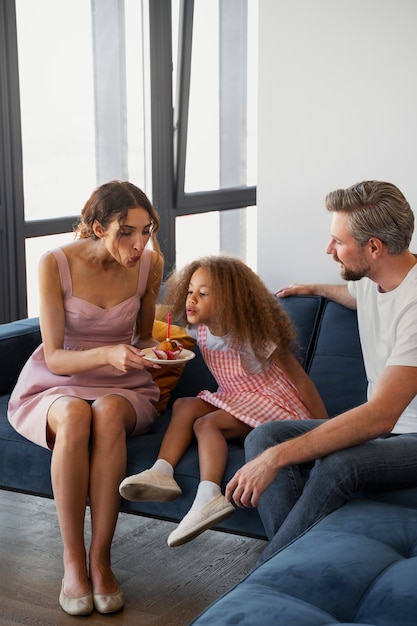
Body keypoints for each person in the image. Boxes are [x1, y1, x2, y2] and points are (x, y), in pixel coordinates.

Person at [226, 179, 417, 564]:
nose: (328, 249)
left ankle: (270, 571)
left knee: (339, 464)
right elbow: (355, 295)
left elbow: (381, 416)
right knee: (264, 437)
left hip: (409, 434)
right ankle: (295, 563)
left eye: (338, 242)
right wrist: (314, 287)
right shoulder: (374, 280)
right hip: (391, 432)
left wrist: (277, 460)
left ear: (374, 248)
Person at [8, 181, 164, 616]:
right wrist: (106, 354)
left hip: (123, 385)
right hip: (58, 380)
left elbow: (145, 337)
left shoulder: (150, 264)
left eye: (146, 231)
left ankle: (102, 559)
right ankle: (73, 562)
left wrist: (157, 354)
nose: (139, 244)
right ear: (98, 227)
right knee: (76, 415)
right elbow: (55, 355)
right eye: (127, 232)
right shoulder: (54, 263)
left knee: (109, 411)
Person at [119, 255, 327, 547]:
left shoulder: (254, 334)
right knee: (184, 405)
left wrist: (324, 428)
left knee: (207, 424)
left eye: (202, 294)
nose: (191, 299)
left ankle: (209, 495)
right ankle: (161, 472)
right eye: (190, 291)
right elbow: (162, 333)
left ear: (230, 300)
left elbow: (300, 380)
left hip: (272, 401)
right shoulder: (198, 329)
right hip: (233, 397)